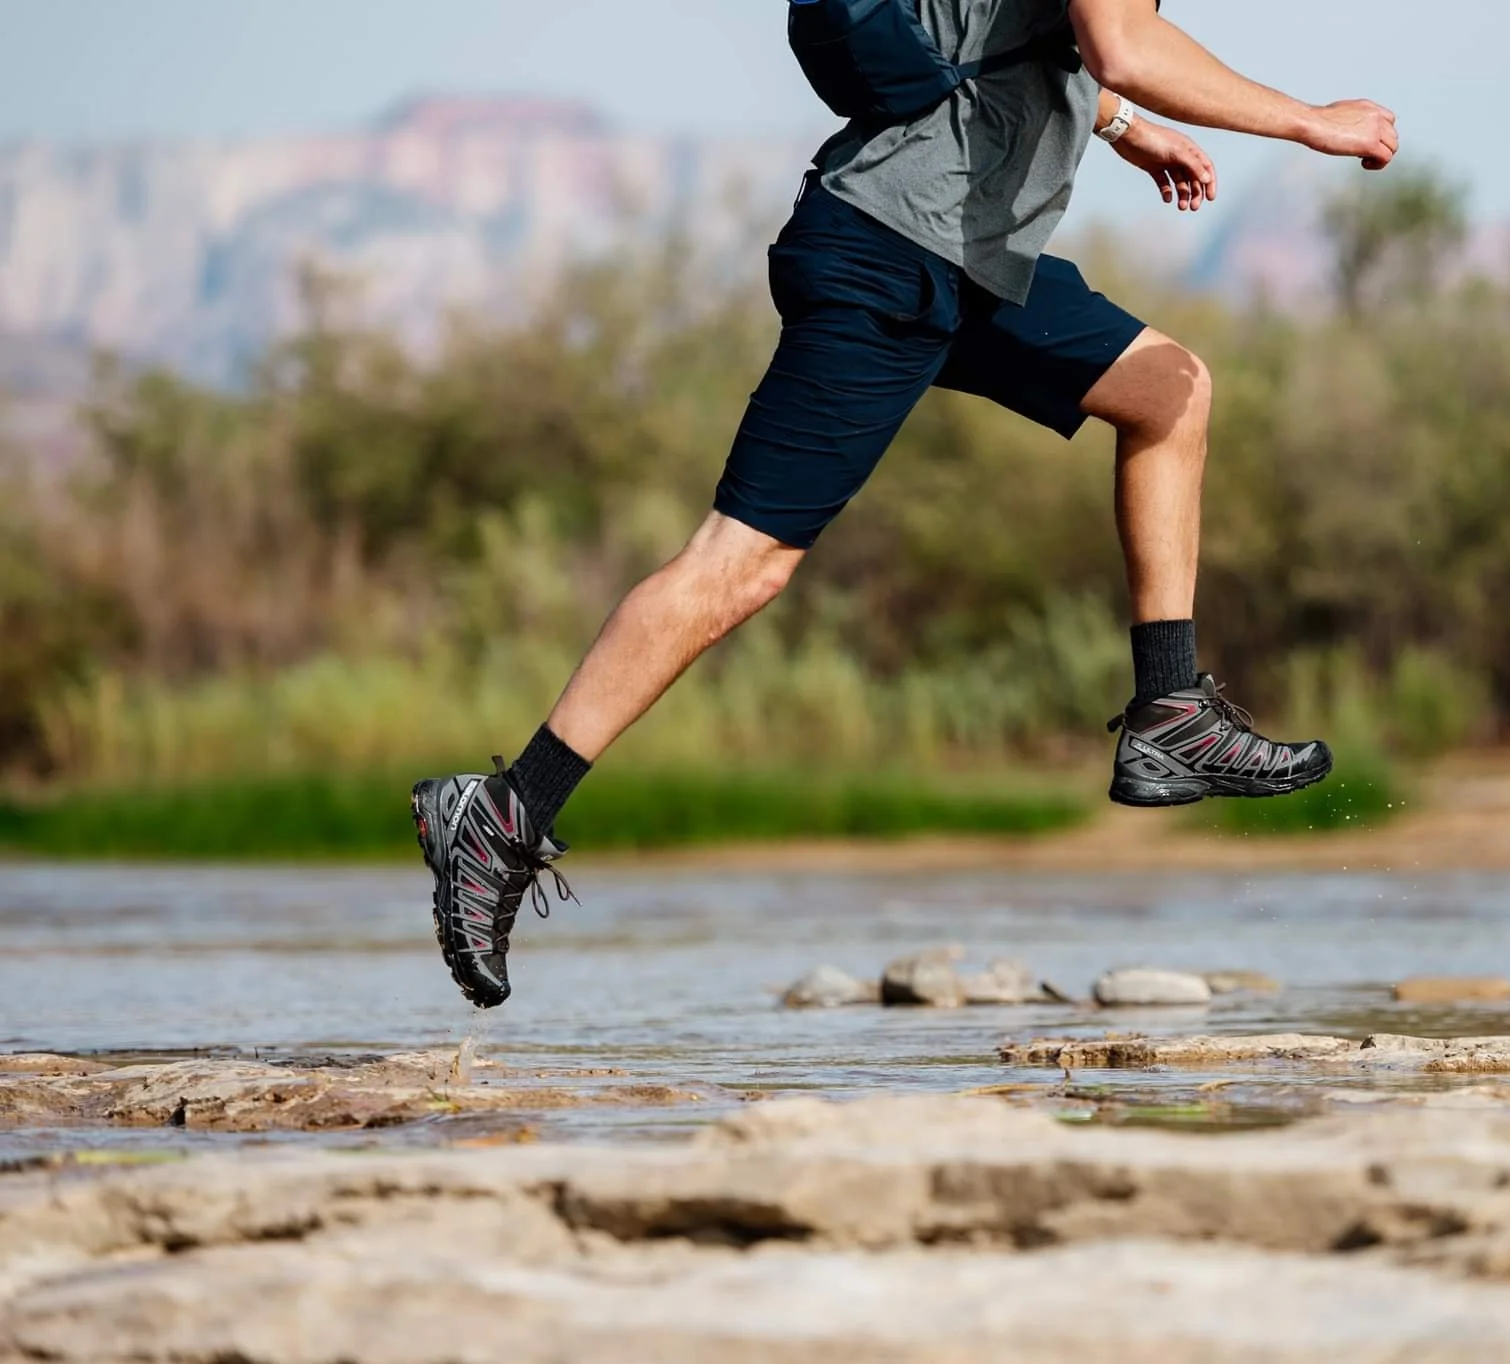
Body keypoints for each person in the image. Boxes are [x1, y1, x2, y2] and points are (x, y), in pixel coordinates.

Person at [411, 0, 1400, 1008]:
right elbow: (1122, 45)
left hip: (967, 259)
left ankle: (1169, 709)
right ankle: (502, 811)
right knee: (740, 562)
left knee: (1168, 390)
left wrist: (1122, 129)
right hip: (889, 255)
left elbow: (1017, 43)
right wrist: (1309, 119)